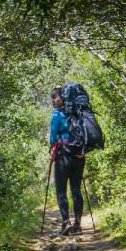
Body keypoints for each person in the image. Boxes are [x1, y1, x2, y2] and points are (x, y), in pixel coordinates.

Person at [48, 87, 84, 235]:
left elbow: (52, 137)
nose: (53, 101)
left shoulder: (57, 114)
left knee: (61, 190)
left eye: (54, 97)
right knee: (76, 189)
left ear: (62, 98)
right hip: (79, 156)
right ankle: (78, 224)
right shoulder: (77, 112)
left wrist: (52, 148)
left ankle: (66, 223)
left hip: (63, 155)